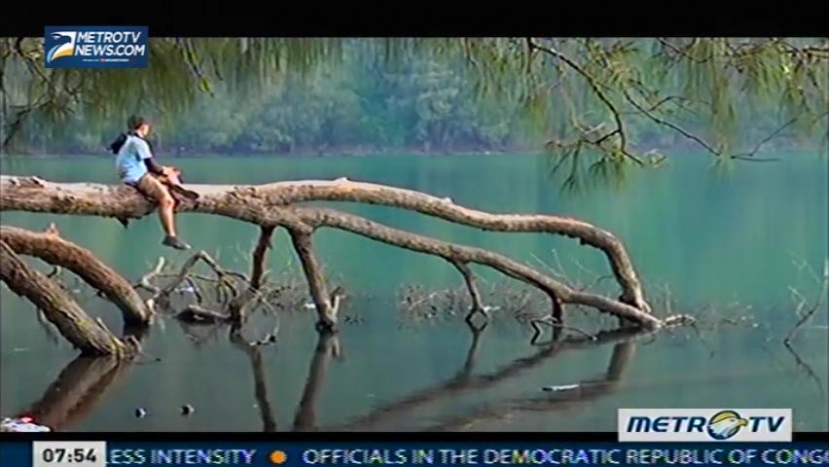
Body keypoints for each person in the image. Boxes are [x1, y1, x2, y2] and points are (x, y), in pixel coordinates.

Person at [111, 115, 191, 250]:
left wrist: (165, 171)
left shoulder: (128, 140)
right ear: (143, 127)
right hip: (137, 177)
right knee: (167, 200)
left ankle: (175, 187)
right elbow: (152, 166)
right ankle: (170, 236)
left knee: (169, 175)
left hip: (131, 175)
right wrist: (165, 170)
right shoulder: (139, 143)